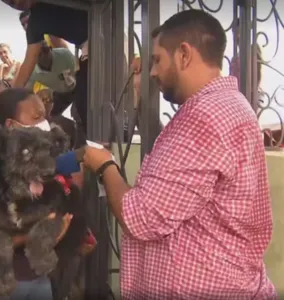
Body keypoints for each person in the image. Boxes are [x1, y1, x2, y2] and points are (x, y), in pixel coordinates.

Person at [81, 10, 276, 298]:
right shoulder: (230, 106)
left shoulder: (204, 117)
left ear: (184, 55)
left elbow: (141, 217)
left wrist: (105, 164)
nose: (152, 72)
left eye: (157, 59)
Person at [0, 88, 80, 300]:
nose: (44, 124)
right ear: (11, 125)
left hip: (35, 275)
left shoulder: (40, 166)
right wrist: (44, 235)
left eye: (45, 117)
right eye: (36, 117)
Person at [4, 0, 89, 133]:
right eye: (11, 3)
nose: (17, 3)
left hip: (105, 30)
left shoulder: (62, 53)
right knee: (85, 108)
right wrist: (8, 102)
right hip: (89, 47)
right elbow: (28, 63)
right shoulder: (35, 23)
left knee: (90, 105)